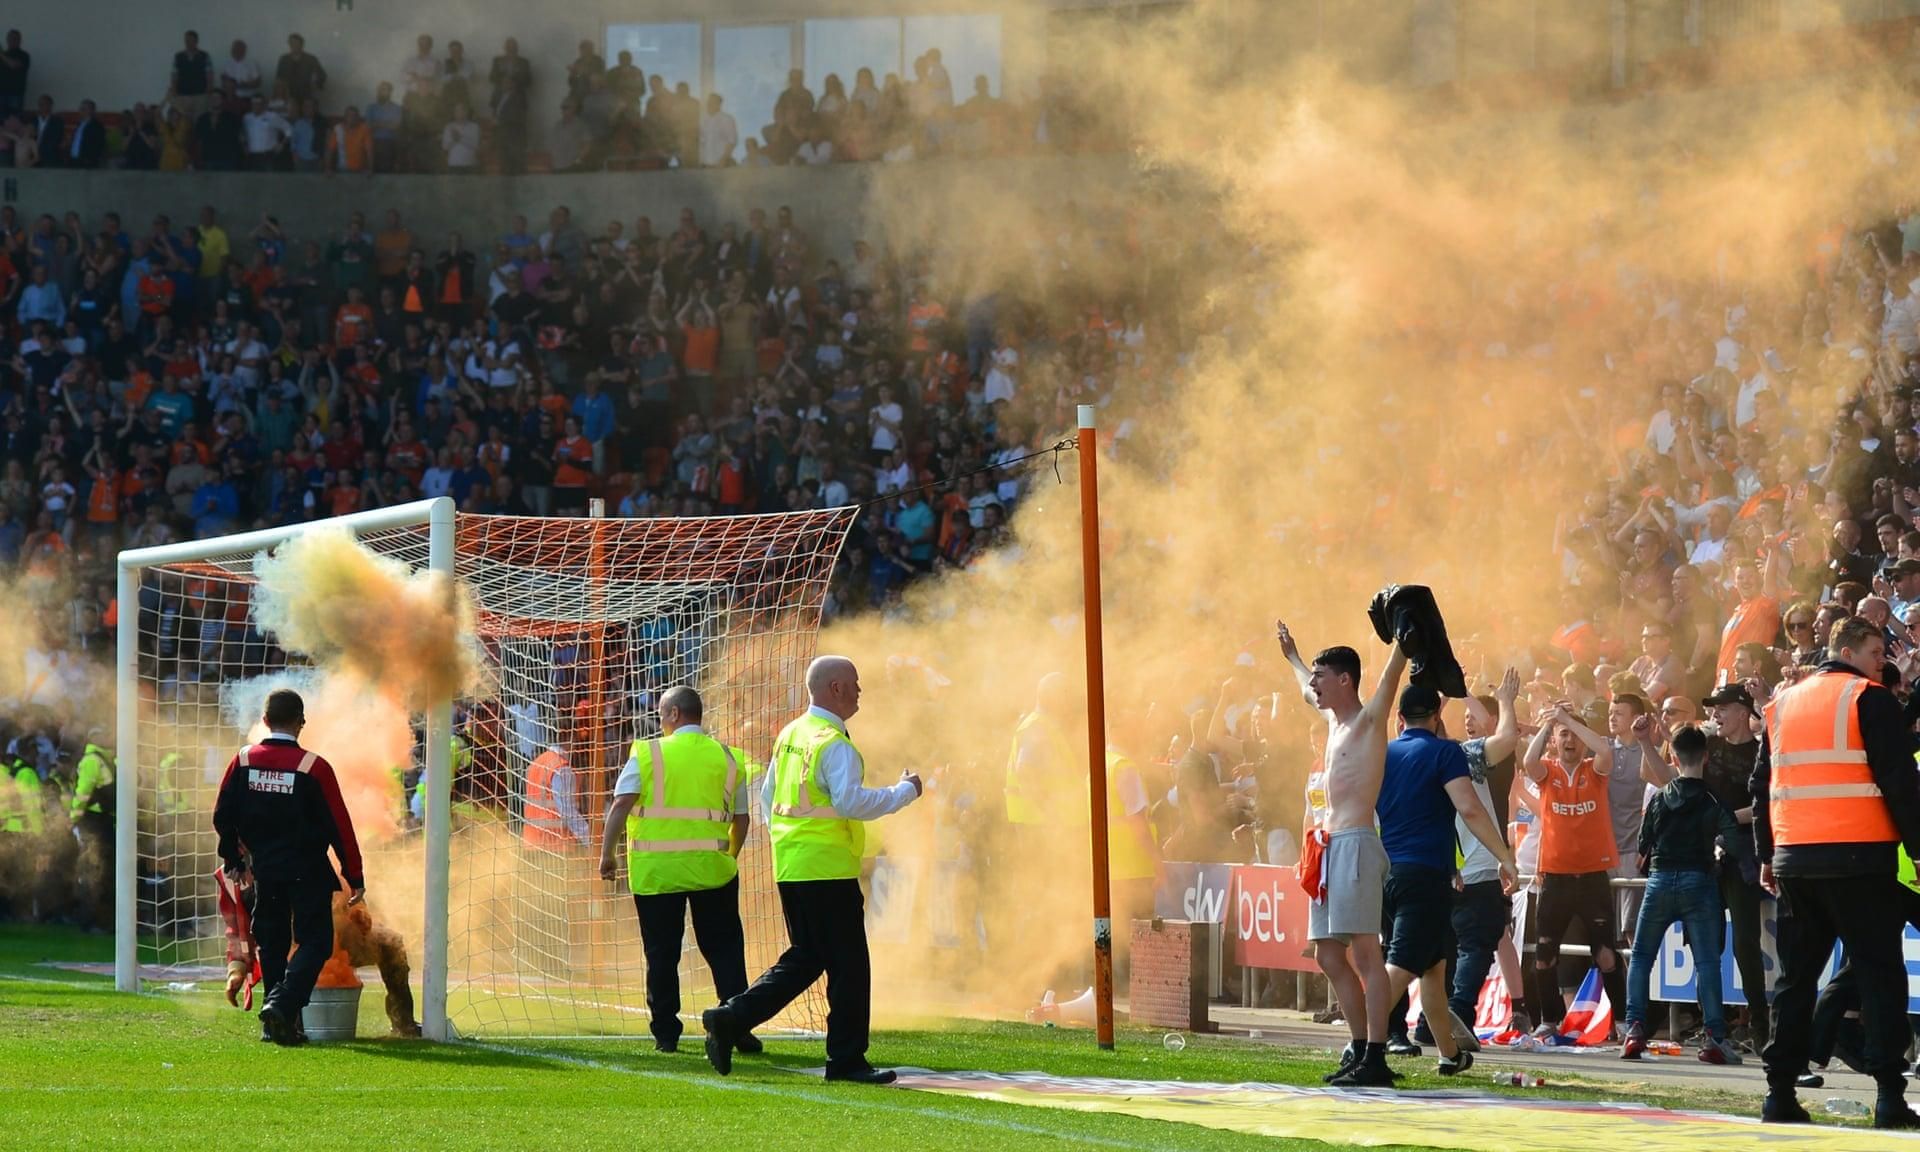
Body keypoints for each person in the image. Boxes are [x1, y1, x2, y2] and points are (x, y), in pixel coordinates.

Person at [700, 656, 922, 1083]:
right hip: (827, 871)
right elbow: (850, 803)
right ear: (835, 688)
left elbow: (767, 799)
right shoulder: (834, 743)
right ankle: (845, 1060)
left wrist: (787, 842)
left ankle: (732, 1017)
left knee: (808, 958)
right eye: (855, 683)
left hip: (793, 866)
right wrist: (904, 791)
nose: (860, 690)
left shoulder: (790, 734)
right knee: (850, 968)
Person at [1752, 616, 1920, 1128]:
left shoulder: (1782, 704)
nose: (1882, 661)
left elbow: (1762, 787)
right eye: (1875, 651)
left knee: (1796, 981)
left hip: (1797, 861)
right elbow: (1900, 781)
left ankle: (1779, 1093)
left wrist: (1767, 854)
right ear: (1847, 649)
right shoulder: (1869, 699)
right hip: (1859, 859)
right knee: (1879, 976)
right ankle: (1889, 1096)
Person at [1276, 617, 1406, 1087]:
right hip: (1326, 847)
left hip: (1354, 843)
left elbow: (1390, 681)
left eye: (1320, 674)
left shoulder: (1368, 721)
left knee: (1368, 955)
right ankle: (1358, 1045)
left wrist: (1402, 647)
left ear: (1345, 679)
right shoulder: (1332, 721)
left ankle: (1376, 1052)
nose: (1313, 683)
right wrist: (1292, 655)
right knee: (1329, 955)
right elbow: (1301, 690)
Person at [597, 686, 763, 1055]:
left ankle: (666, 1035)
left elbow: (621, 804)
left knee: (662, 954)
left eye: (660, 714)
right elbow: (742, 818)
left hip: (657, 873)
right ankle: (737, 1024)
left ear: (673, 715)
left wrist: (607, 854)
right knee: (725, 951)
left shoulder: (648, 752)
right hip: (713, 871)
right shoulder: (728, 757)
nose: (659, 721)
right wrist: (729, 856)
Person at [1373, 682, 1517, 1077]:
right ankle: (1361, 1045)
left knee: (1434, 970)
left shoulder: (1383, 754)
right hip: (1424, 875)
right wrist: (1505, 857)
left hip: (1392, 871)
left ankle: (1449, 1053)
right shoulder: (1446, 752)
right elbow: (1468, 809)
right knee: (1401, 965)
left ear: (1399, 719)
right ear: (1437, 718)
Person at [211, 689, 365, 1047]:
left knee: (273, 943)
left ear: (264, 720)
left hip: (264, 870)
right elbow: (339, 826)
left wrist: (234, 859)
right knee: (316, 942)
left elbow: (222, 815)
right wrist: (354, 875)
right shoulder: (314, 767)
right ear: (301, 723)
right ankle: (281, 1004)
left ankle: (277, 1024)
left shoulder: (244, 760)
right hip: (307, 869)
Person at [1620, 724, 1744, 1064]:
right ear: (1704, 757)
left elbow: (1643, 843)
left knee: (1642, 957)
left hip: (1660, 880)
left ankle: (1634, 1030)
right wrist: (1717, 851)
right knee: (1707, 962)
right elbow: (1733, 840)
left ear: (1673, 757)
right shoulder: (1712, 799)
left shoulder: (1660, 797)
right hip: (1699, 881)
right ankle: (1715, 1037)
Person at [1520, 699, 1625, 1037]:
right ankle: (1549, 1021)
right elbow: (1528, 761)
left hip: (1592, 876)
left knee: (1606, 955)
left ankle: (1621, 1022)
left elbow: (1604, 748)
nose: (1570, 741)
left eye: (1575, 736)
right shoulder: (1548, 772)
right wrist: (1550, 726)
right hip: (1555, 877)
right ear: (1555, 739)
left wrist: (1569, 719)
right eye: (1564, 735)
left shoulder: (1595, 770)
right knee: (1544, 956)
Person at [1699, 680, 1769, 1051]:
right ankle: (1713, 1026)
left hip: (1744, 856)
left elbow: (1766, 804)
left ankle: (1759, 1024)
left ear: (1744, 712)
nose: (1716, 714)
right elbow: (1671, 779)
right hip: (1710, 855)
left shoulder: (1761, 752)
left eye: (1723, 708)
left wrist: (1722, 821)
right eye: (1714, 709)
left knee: (1745, 943)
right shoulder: (1707, 747)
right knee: (1707, 942)